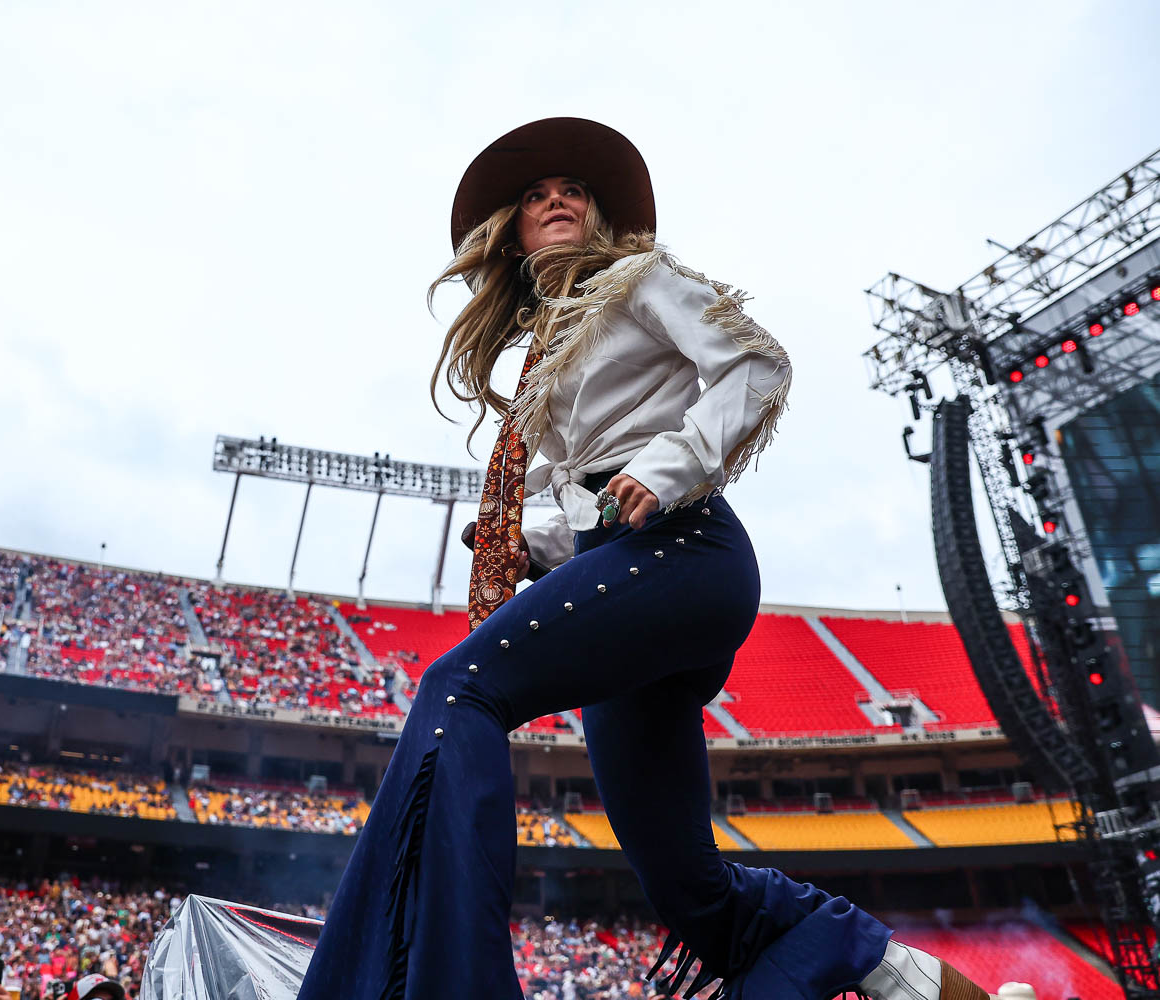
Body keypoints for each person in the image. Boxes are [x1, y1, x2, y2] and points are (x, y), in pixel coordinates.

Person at [294, 117, 997, 1000]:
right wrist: (528, 544)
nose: (556, 200)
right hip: (625, 563)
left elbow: (757, 361)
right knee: (686, 889)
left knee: (458, 688)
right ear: (511, 231)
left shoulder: (641, 278)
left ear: (598, 218)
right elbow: (590, 498)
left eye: (573, 191)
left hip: (684, 550)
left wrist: (669, 468)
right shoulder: (545, 353)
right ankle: (883, 965)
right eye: (536, 196)